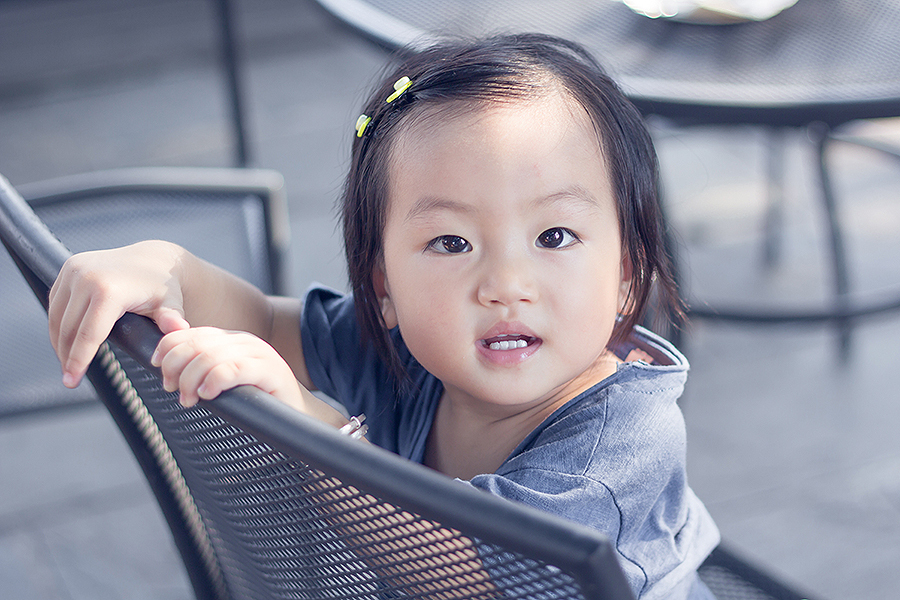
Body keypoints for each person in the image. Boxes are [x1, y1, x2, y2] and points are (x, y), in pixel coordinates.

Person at [49, 33, 719, 599]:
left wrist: (314, 427)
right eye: (451, 242)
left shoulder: (623, 438)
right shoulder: (411, 354)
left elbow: (469, 577)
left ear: (627, 276)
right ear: (385, 288)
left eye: (554, 236)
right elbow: (266, 324)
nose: (507, 286)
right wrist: (171, 269)